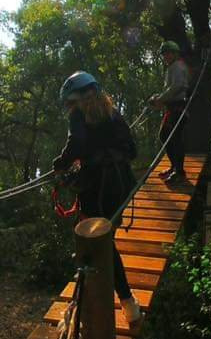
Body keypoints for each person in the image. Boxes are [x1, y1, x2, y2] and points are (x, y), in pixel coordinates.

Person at [52, 71, 143, 324]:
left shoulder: (78, 115)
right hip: (122, 186)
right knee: (104, 241)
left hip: (97, 189)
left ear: (74, 98)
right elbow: (132, 150)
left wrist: (60, 164)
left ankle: (98, 306)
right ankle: (126, 305)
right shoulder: (113, 113)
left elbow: (77, 144)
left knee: (95, 244)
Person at [148, 41, 189, 183]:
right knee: (165, 135)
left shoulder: (177, 66)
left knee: (174, 138)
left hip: (178, 108)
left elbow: (177, 87)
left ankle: (179, 172)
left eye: (168, 53)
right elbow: (170, 89)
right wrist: (159, 97)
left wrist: (160, 98)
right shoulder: (173, 67)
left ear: (175, 53)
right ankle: (174, 167)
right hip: (172, 108)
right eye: (164, 54)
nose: (166, 56)